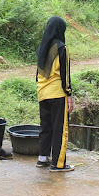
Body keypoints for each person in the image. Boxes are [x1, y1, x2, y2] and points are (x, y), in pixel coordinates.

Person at [36, 16, 74, 172]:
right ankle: (58, 164)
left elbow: (37, 72)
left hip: (42, 92)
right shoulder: (61, 47)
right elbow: (65, 74)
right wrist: (69, 93)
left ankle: (42, 158)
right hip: (57, 93)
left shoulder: (42, 48)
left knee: (46, 126)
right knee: (59, 128)